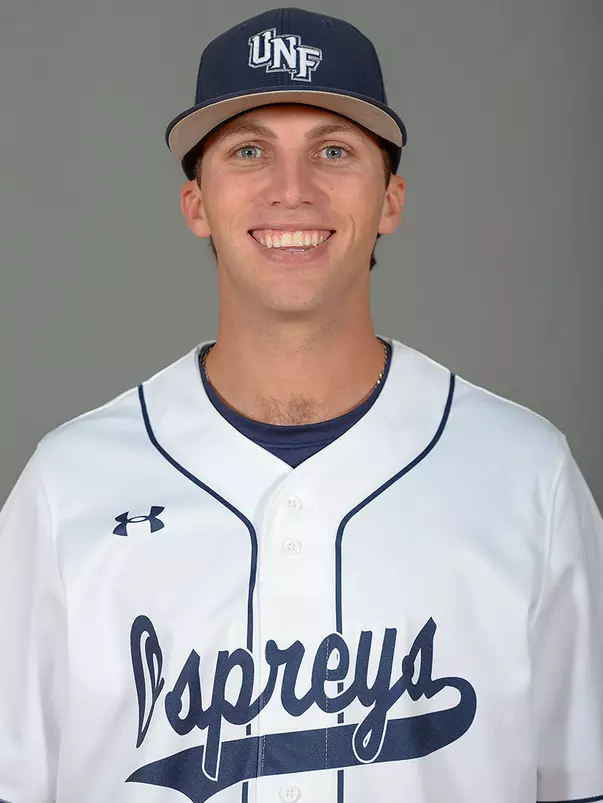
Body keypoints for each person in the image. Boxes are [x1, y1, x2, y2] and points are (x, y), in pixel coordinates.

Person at [0, 7, 601, 803]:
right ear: (195, 205)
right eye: (249, 150)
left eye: (334, 150)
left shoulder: (527, 475)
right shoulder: (67, 485)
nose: (292, 189)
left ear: (389, 199)